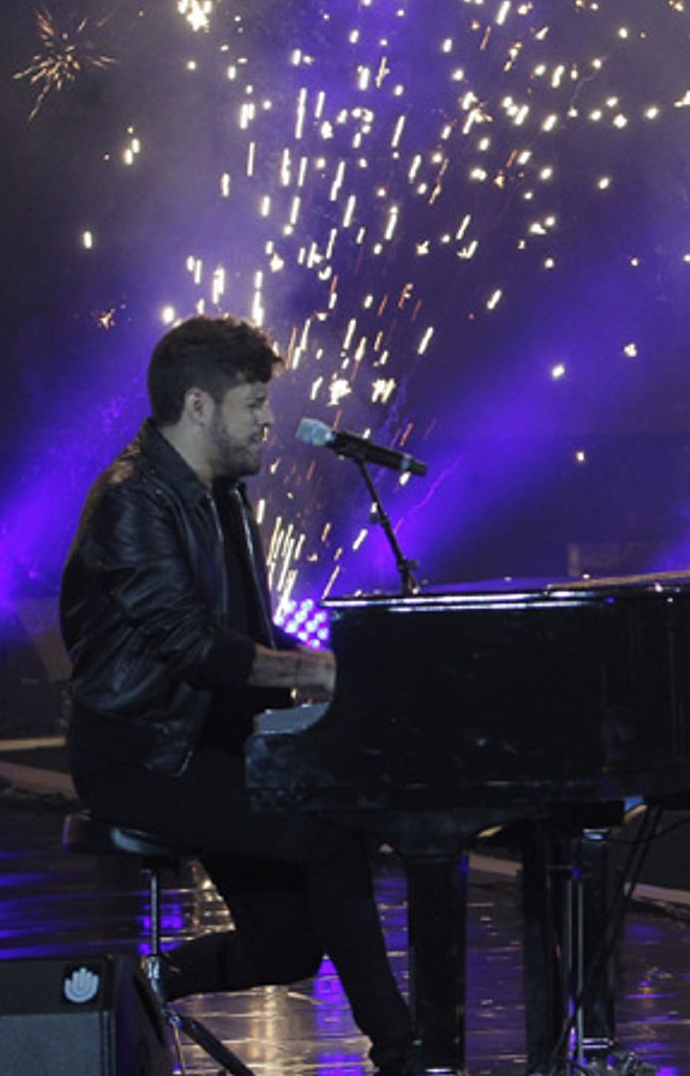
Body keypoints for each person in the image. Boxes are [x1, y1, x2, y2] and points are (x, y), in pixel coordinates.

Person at [61, 316, 421, 1074]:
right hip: (141, 756)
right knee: (325, 836)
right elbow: (189, 643)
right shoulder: (133, 499)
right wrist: (313, 674)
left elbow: (246, 636)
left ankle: (146, 984)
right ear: (198, 406)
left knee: (289, 942)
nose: (268, 421)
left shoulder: (221, 496)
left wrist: (337, 675)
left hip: (209, 748)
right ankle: (401, 1050)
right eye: (253, 404)